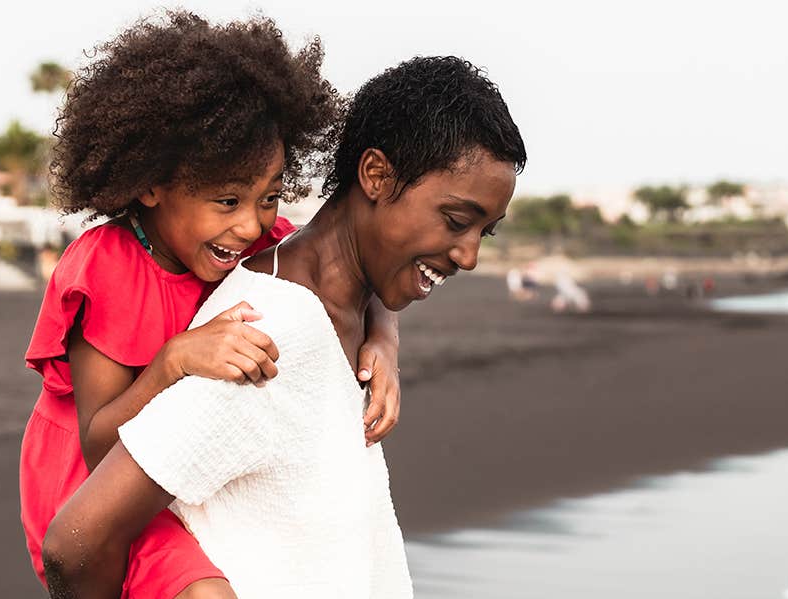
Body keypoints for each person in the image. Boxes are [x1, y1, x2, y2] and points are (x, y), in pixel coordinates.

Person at [43, 56, 527, 599]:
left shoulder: (318, 292)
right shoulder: (262, 336)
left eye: (485, 232)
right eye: (457, 221)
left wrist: (385, 338)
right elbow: (74, 543)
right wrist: (171, 362)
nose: (469, 256)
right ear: (375, 175)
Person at [19, 12, 405, 598]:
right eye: (226, 200)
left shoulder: (259, 245)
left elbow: (353, 276)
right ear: (150, 184)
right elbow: (98, 443)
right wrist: (172, 361)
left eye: (269, 197)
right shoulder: (110, 270)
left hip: (174, 466)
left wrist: (385, 340)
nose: (251, 223)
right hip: (92, 482)